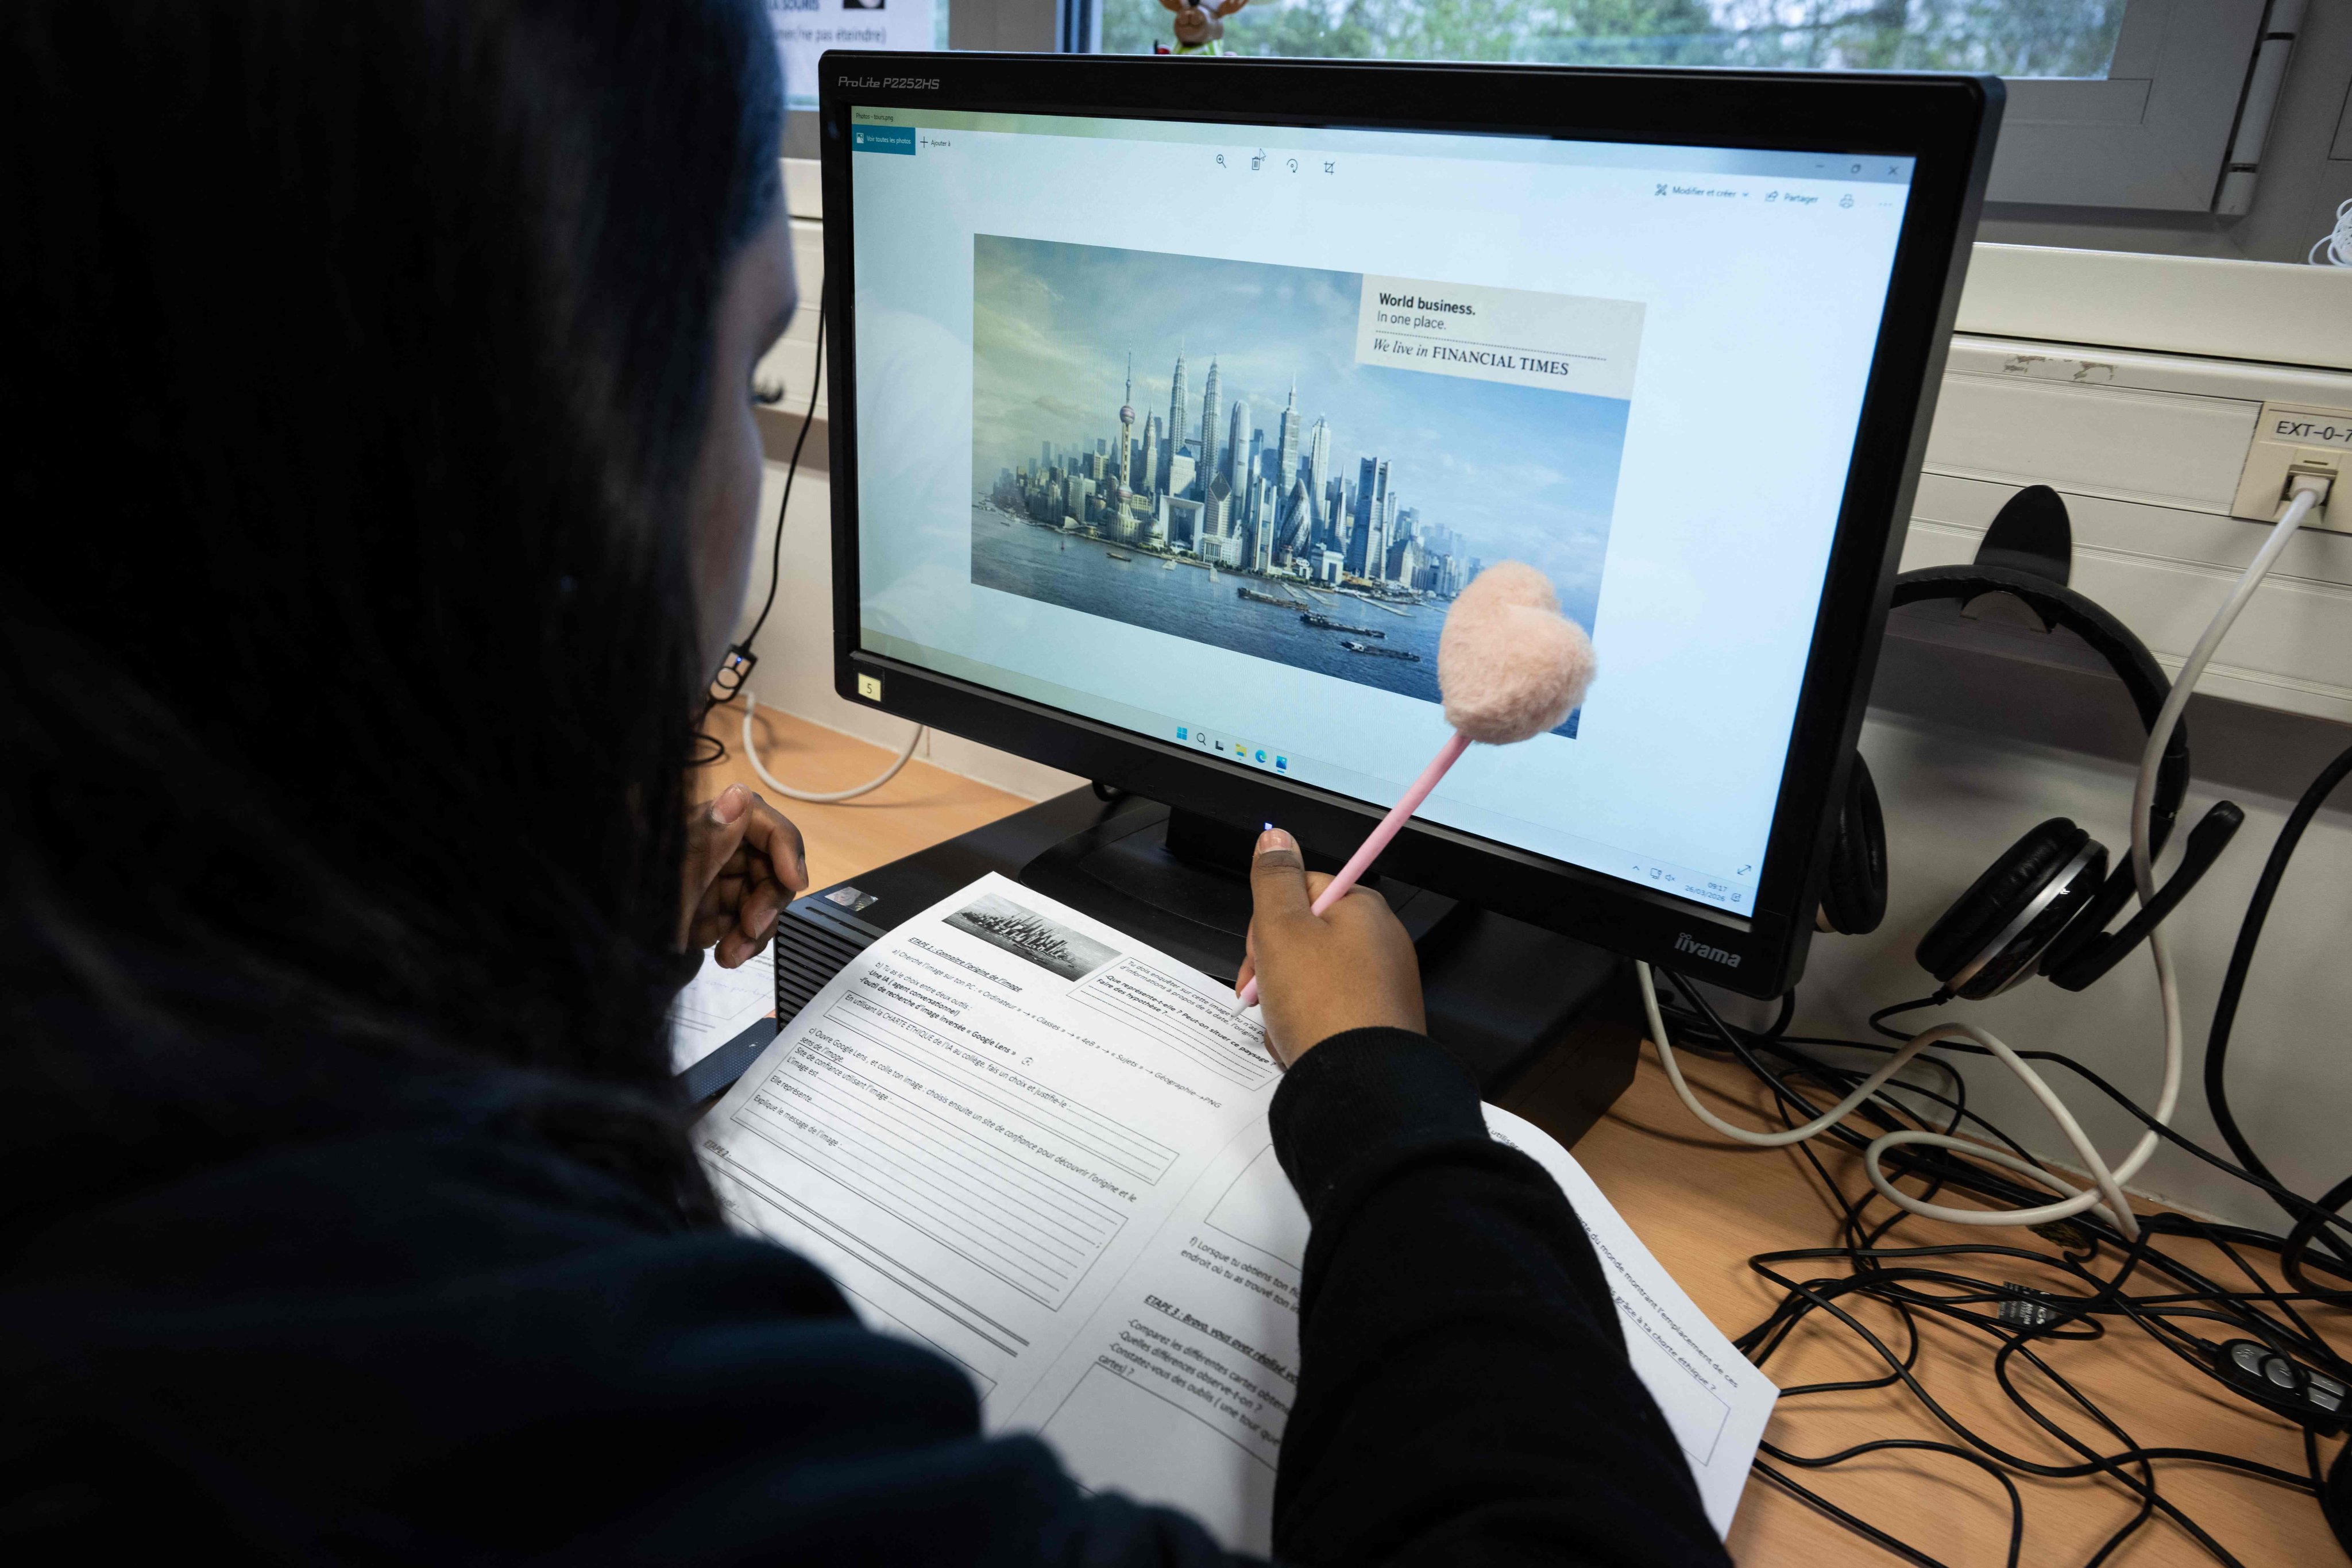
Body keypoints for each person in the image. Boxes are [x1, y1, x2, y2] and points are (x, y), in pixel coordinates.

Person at [0, 3, 1728, 1563]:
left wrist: (555, 917)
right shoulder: (489, 1385)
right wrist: (1379, 1093)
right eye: (743, 378)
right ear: (502, 471)